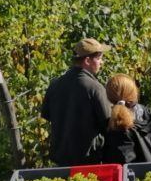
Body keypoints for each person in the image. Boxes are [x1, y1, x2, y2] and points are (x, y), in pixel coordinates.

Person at [41, 37, 113, 166]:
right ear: (87, 60)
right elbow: (107, 123)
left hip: (61, 157)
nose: (102, 62)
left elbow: (46, 115)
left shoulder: (55, 85)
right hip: (88, 159)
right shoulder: (94, 88)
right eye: (99, 58)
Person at [102, 73, 151, 164]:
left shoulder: (117, 122)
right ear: (133, 92)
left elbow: (121, 161)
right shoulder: (147, 113)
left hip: (132, 176)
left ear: (109, 97)